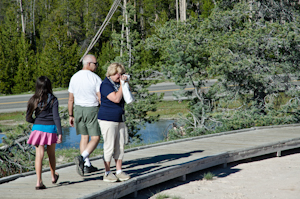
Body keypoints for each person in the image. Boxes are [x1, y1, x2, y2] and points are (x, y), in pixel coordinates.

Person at [68, 54, 102, 176]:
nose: (96, 66)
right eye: (95, 64)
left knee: (84, 137)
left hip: (78, 109)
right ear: (88, 64)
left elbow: (70, 99)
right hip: (91, 109)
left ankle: (87, 165)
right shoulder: (95, 78)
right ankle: (82, 158)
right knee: (96, 137)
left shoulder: (74, 77)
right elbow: (100, 97)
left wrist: (71, 115)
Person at [26, 76, 62, 190]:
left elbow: (28, 118)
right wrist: (60, 132)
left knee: (39, 155)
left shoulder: (33, 99)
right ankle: (53, 176)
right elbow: (56, 117)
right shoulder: (53, 99)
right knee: (51, 154)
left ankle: (39, 182)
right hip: (50, 129)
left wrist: (36, 122)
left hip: (37, 129)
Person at [97, 63, 130, 182]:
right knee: (109, 146)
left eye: (121, 73)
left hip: (119, 118)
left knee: (120, 146)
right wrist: (122, 85)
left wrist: (125, 84)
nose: (119, 76)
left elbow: (127, 96)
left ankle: (119, 171)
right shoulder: (105, 85)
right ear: (110, 74)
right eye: (116, 74)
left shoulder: (118, 84)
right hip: (107, 119)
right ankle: (107, 172)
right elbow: (116, 98)